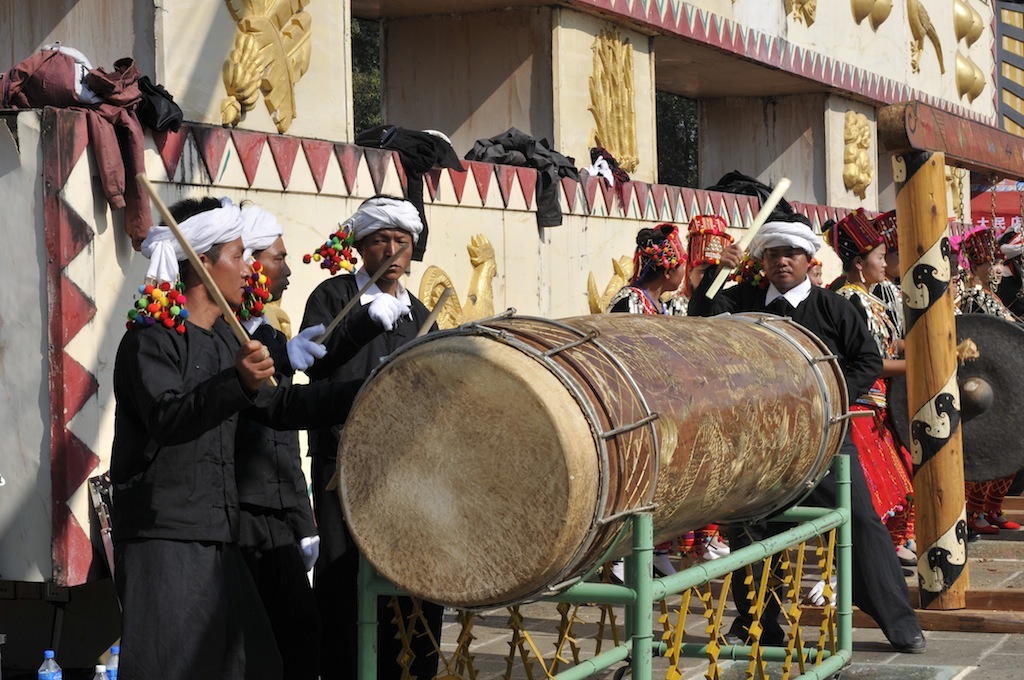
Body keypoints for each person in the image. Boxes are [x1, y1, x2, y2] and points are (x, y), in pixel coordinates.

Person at [111, 197, 361, 680]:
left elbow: (280, 406)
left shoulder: (230, 341)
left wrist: (366, 389)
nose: (250, 268)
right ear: (202, 261)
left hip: (220, 534)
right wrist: (237, 383)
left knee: (258, 664)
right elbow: (169, 418)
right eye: (239, 255)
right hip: (165, 538)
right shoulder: (149, 341)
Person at [688, 211, 926, 654]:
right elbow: (699, 319)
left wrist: (831, 397)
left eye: (792, 253)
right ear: (762, 259)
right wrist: (718, 271)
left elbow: (867, 362)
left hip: (828, 439)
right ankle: (759, 625)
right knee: (750, 529)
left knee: (861, 523)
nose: (783, 261)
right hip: (762, 446)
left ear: (808, 258)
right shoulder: (741, 300)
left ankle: (899, 622)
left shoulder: (835, 306)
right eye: (774, 253)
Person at [300, 196, 443, 680]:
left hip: (405, 467)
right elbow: (314, 362)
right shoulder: (331, 296)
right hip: (343, 461)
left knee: (409, 571)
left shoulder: (419, 310)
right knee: (343, 577)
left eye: (402, 242)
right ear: (361, 245)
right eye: (381, 240)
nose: (392, 251)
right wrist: (363, 322)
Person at [234, 203, 326, 680]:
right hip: (246, 518)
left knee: (299, 642)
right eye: (278, 258)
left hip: (276, 516)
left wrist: (300, 518)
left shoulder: (268, 335)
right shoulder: (224, 342)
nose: (288, 271)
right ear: (247, 263)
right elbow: (271, 432)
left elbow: (283, 444)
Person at [826, 209, 916, 566]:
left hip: (879, 406)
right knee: (881, 488)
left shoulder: (871, 298)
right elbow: (870, 361)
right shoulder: (850, 300)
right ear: (860, 262)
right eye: (880, 257)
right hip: (861, 405)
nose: (885, 262)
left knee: (902, 480)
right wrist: (922, 367)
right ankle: (861, 561)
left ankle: (887, 548)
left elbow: (889, 346)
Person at [956, 226, 1022, 535]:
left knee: (1008, 450)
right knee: (987, 451)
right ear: (977, 264)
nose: (997, 269)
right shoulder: (972, 297)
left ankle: (993, 508)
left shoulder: (991, 295)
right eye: (992, 263)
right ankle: (975, 512)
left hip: (1005, 382)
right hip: (984, 384)